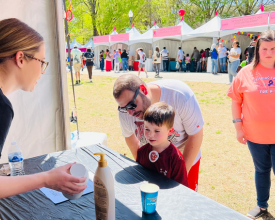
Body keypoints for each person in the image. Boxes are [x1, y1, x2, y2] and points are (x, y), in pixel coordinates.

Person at [0, 18, 87, 199]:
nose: (42, 71)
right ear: (21, 58)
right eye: (41, 62)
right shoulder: (2, 107)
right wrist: (47, 178)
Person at [113, 74, 204, 191]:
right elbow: (129, 138)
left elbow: (196, 135)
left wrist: (179, 176)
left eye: (132, 105)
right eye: (124, 108)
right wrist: (144, 167)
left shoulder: (180, 95)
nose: (129, 113)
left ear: (143, 89)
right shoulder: (126, 111)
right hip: (152, 165)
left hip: (185, 161)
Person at [227, 30, 275, 219]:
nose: (269, 52)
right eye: (265, 49)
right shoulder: (246, 72)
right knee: (261, 170)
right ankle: (261, 206)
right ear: (258, 49)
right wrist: (238, 127)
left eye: (273, 48)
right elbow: (235, 101)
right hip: (255, 135)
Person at [136, 102, 189, 187]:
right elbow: (137, 176)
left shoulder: (175, 158)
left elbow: (182, 188)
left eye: (157, 131)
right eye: (147, 129)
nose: (151, 135)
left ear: (170, 131)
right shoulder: (141, 152)